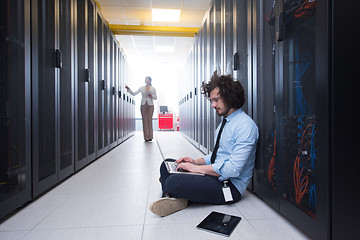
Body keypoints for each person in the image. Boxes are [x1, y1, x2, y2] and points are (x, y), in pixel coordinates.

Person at [150, 71, 259, 217]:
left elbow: (233, 169)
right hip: (215, 176)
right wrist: (195, 161)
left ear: (230, 97)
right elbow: (216, 156)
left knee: (173, 181)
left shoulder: (246, 126)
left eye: (216, 100)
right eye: (211, 101)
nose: (213, 105)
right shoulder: (224, 124)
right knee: (167, 164)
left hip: (229, 186)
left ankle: (172, 193)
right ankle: (173, 197)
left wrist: (197, 169)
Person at [125, 76, 157, 142]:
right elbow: (134, 93)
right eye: (145, 79)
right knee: (144, 121)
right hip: (143, 105)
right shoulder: (141, 88)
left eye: (147, 79)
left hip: (150, 105)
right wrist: (129, 90)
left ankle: (150, 136)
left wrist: (152, 96)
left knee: (149, 120)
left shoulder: (153, 88)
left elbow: (156, 97)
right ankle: (146, 137)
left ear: (150, 81)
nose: (146, 80)